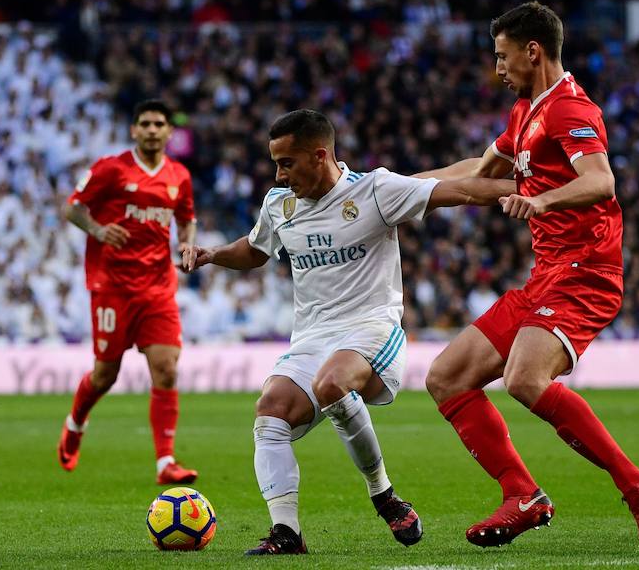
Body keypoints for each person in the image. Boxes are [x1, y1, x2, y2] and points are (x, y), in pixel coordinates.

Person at [182, 109, 516, 555]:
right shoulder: (278, 204)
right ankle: (287, 534)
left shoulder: (375, 190)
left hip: (372, 330)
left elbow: (461, 191)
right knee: (270, 411)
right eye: (275, 162)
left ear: (319, 156)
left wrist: (541, 192)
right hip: (312, 336)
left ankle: (384, 495)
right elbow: (255, 249)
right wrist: (212, 254)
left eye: (287, 162)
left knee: (332, 383)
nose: (279, 174)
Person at [417, 2, 639, 546]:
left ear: (534, 51)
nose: (498, 68)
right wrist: (395, 187)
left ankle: (637, 484)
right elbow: (478, 172)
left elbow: (601, 182)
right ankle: (522, 495)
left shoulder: (570, 110)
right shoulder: (525, 112)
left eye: (503, 57)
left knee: (525, 380)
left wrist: (543, 201)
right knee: (446, 377)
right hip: (546, 275)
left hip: (587, 271)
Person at [57, 99, 200, 485]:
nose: (153, 130)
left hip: (157, 287)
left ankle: (165, 461)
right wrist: (100, 231)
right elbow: (73, 207)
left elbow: (186, 219)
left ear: (170, 132)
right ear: (134, 130)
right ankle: (75, 423)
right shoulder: (111, 169)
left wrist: (187, 244)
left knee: (167, 370)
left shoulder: (178, 177)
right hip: (113, 287)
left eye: (159, 124)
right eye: (145, 123)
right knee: (105, 375)